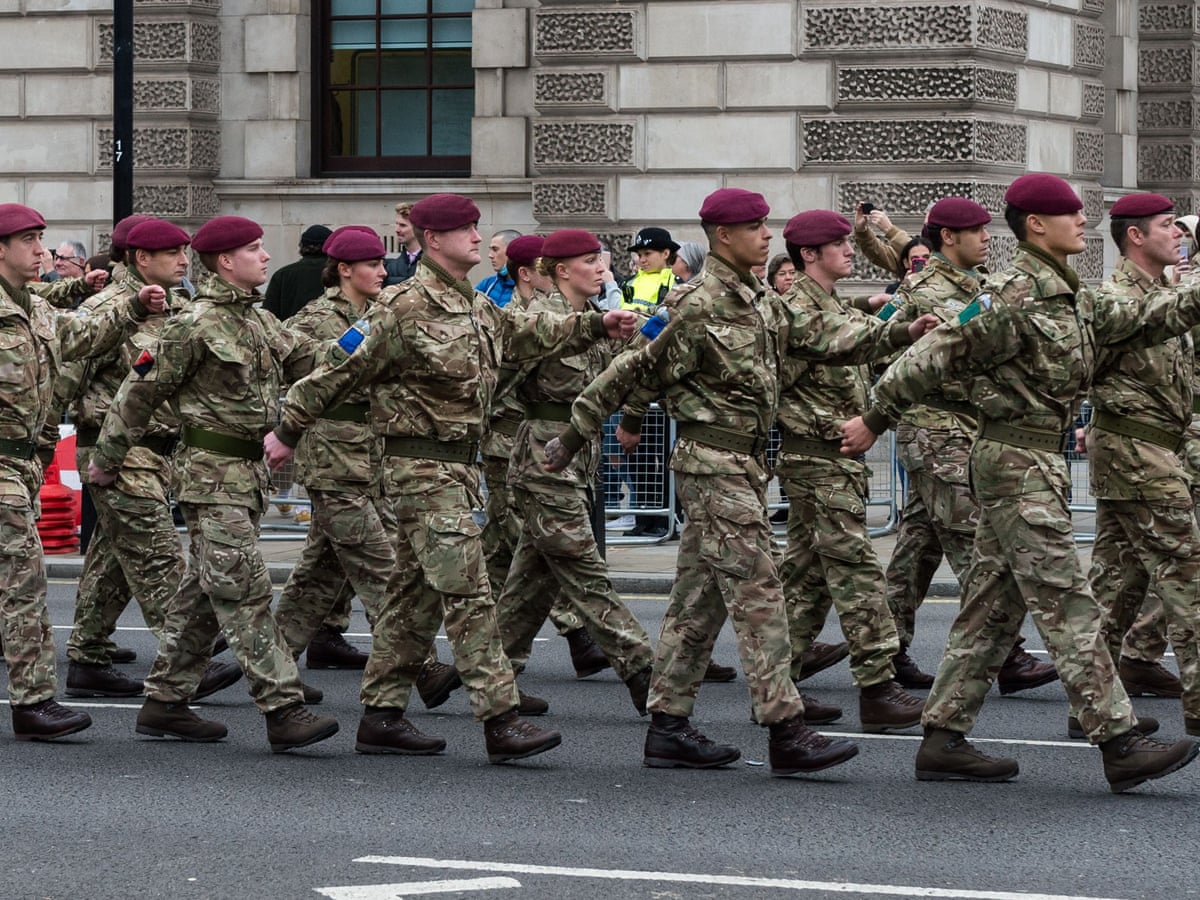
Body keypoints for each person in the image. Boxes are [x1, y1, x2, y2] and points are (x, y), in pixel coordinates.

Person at [841, 173, 1200, 792]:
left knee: (992, 608)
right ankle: (1117, 741)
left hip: (1039, 461)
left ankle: (943, 738)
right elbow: (935, 352)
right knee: (1067, 598)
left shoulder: (1075, 296)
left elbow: (1147, 317)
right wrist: (873, 418)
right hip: (1012, 461)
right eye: (1072, 214)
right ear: (1037, 224)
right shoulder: (1012, 296)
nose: (1084, 223)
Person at [543, 187, 906, 776]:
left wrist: (900, 332)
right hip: (711, 464)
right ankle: (786, 729)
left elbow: (827, 340)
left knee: (696, 604)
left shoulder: (760, 299)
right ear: (723, 236)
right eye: (756, 227)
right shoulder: (695, 304)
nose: (768, 236)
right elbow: (633, 368)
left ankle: (667, 727)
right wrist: (576, 436)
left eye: (767, 226)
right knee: (760, 594)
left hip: (745, 466)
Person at [264, 193, 637, 762]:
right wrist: (288, 431)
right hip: (418, 468)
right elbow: (337, 372)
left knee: (413, 598)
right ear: (432, 239)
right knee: (468, 590)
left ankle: (383, 715)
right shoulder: (399, 306)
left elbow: (524, 335)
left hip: (459, 468)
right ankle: (500, 717)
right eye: (463, 229)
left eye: (475, 227)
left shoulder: (474, 305)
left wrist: (597, 325)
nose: (474, 236)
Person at [89, 214, 338, 753]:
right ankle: (283, 708)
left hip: (247, 479)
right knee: (244, 589)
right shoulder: (192, 323)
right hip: (210, 478)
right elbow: (138, 394)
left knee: (203, 592)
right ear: (225, 261)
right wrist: (107, 458)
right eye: (254, 249)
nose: (266, 256)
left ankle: (164, 703)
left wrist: (375, 335)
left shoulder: (258, 322)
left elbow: (317, 361)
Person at [0, 202, 166, 741]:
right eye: (27, 240)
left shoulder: (37, 310)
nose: (40, 250)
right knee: (25, 580)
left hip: (27, 460)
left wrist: (133, 306)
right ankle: (33, 702)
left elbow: (80, 335)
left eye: (42, 238)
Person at [58, 218, 242, 703]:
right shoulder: (104, 310)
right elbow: (65, 381)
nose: (186, 261)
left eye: (186, 252)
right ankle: (186, 667)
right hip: (113, 452)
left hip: (162, 453)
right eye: (174, 253)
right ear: (142, 258)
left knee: (115, 561)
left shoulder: (178, 306)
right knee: (159, 555)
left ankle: (88, 658)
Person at [880, 197, 1058, 695]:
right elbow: (880, 343)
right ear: (947, 238)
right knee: (976, 543)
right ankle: (1008, 655)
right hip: (934, 427)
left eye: (986, 229)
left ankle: (884, 649)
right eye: (976, 231)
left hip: (967, 425)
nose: (987, 238)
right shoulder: (920, 289)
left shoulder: (979, 287)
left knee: (917, 548)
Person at [770, 210, 930, 733]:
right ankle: (878, 688)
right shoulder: (796, 308)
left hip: (832, 458)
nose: (848, 249)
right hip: (817, 455)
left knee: (806, 577)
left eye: (847, 240)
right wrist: (904, 330)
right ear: (808, 255)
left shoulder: (829, 302)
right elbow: (823, 355)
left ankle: (779, 687)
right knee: (857, 570)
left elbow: (855, 330)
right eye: (836, 244)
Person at [493, 229, 655, 715]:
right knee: (585, 570)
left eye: (600, 259)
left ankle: (483, 673)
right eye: (590, 261)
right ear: (561, 270)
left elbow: (622, 375)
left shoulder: (593, 318)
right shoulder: (538, 318)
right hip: (544, 459)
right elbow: (497, 380)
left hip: (578, 456)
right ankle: (647, 674)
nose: (602, 267)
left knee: (531, 582)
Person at [1078, 192, 1200, 739]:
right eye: (1168, 225)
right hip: (1138, 455)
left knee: (1116, 585)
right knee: (1187, 580)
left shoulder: (1157, 290)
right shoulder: (1116, 297)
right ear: (1135, 235)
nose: (1178, 234)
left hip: (1147, 452)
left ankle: (1092, 707)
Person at [477, 234, 609, 684]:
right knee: (544, 548)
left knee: (510, 554)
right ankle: (586, 639)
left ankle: (488, 664)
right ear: (528, 273)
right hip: (519, 450)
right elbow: (491, 384)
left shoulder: (580, 317)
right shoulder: (524, 321)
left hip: (561, 454)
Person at [263, 224, 333, 322]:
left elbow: (268, 315)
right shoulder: (337, 273)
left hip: (289, 334)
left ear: (302, 246)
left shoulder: (283, 274)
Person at [476, 229, 520, 307]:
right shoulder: (487, 284)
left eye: (495, 249)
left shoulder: (526, 289)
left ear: (512, 251)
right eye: (491, 250)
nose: (490, 255)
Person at [383, 201, 422, 287]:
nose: (397, 230)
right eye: (396, 224)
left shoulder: (433, 266)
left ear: (417, 228)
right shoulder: (388, 267)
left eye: (403, 225)